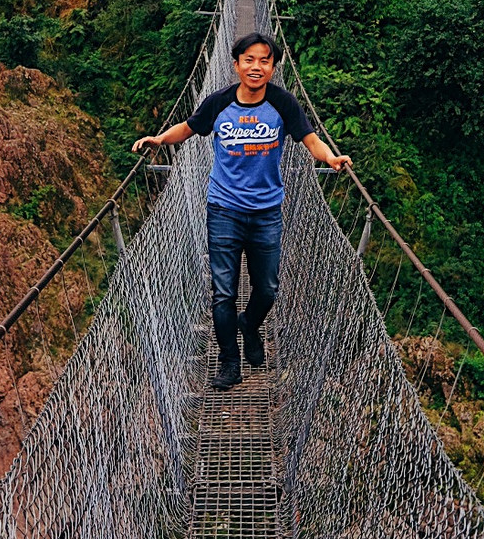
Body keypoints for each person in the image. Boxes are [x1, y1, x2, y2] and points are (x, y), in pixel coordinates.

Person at [132, 32, 350, 389]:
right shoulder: (218, 103)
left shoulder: (283, 104)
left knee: (267, 290)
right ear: (235, 65)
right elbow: (188, 128)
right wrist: (159, 139)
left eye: (264, 60)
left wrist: (330, 157)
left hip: (267, 212)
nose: (256, 67)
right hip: (224, 210)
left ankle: (250, 324)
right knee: (223, 293)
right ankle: (230, 364)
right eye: (249, 59)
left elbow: (311, 140)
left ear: (273, 68)